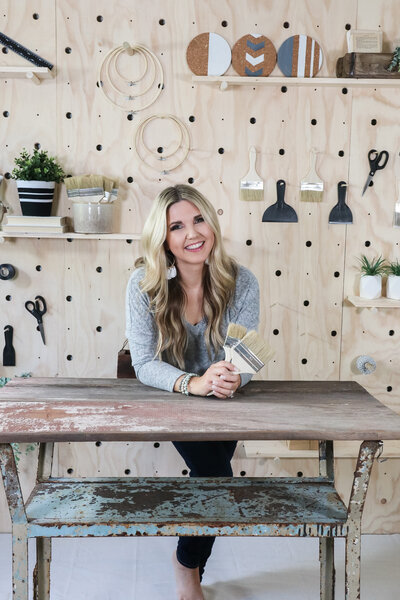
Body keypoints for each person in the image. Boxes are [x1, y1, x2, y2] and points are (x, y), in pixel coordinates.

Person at [125, 184, 260, 600]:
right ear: (163, 239)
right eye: (177, 226)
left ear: (211, 224)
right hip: (174, 397)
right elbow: (144, 362)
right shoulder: (144, 285)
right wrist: (192, 383)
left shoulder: (242, 282)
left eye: (198, 219)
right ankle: (187, 568)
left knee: (214, 477)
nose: (192, 233)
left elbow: (247, 352)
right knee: (217, 477)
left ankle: (192, 565)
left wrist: (236, 377)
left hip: (224, 400)